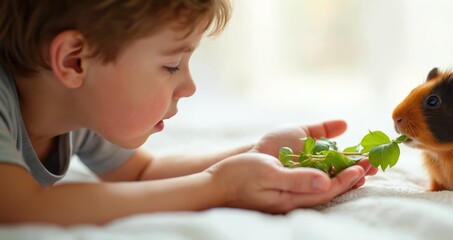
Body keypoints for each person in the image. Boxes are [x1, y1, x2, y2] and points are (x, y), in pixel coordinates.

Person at [0, 0, 376, 226]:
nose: (190, 87)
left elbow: (141, 174)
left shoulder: (79, 111)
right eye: (171, 65)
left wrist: (257, 153)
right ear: (74, 60)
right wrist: (220, 187)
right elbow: (21, 207)